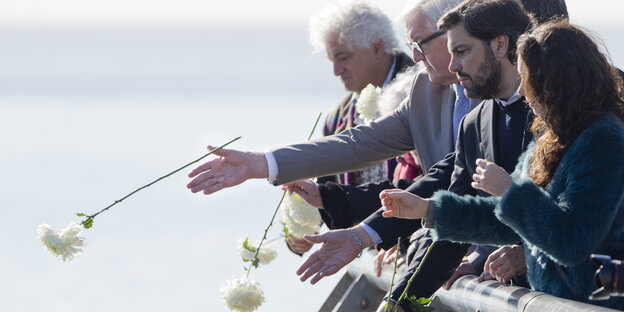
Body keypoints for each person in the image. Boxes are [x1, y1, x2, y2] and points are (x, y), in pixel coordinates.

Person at [295, 1, 536, 310]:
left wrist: (526, 252)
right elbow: (460, 215)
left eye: (461, 51)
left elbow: (590, 215)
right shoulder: (477, 121)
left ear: (501, 44)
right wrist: (401, 300)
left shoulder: (564, 103)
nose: (453, 66)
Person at [379, 20, 624, 309]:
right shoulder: (552, 136)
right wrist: (428, 209)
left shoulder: (605, 140)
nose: (522, 91)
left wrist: (509, 191)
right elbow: (508, 220)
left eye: (527, 78)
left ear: (555, 81)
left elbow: (573, 243)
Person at [286, 0, 415, 256]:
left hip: (413, 249)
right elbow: (325, 187)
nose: (336, 70)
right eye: (331, 60)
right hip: (369, 255)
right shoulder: (337, 117)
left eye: (342, 58)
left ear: (378, 47)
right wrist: (298, 233)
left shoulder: (424, 94)